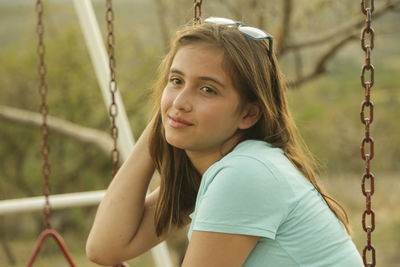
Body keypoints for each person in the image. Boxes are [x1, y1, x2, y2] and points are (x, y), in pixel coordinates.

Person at [86, 17, 364, 267]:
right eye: (176, 80)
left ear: (249, 113)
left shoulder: (246, 173)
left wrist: (173, 113)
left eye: (207, 89)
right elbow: (104, 248)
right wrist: (166, 117)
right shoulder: (215, 171)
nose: (181, 101)